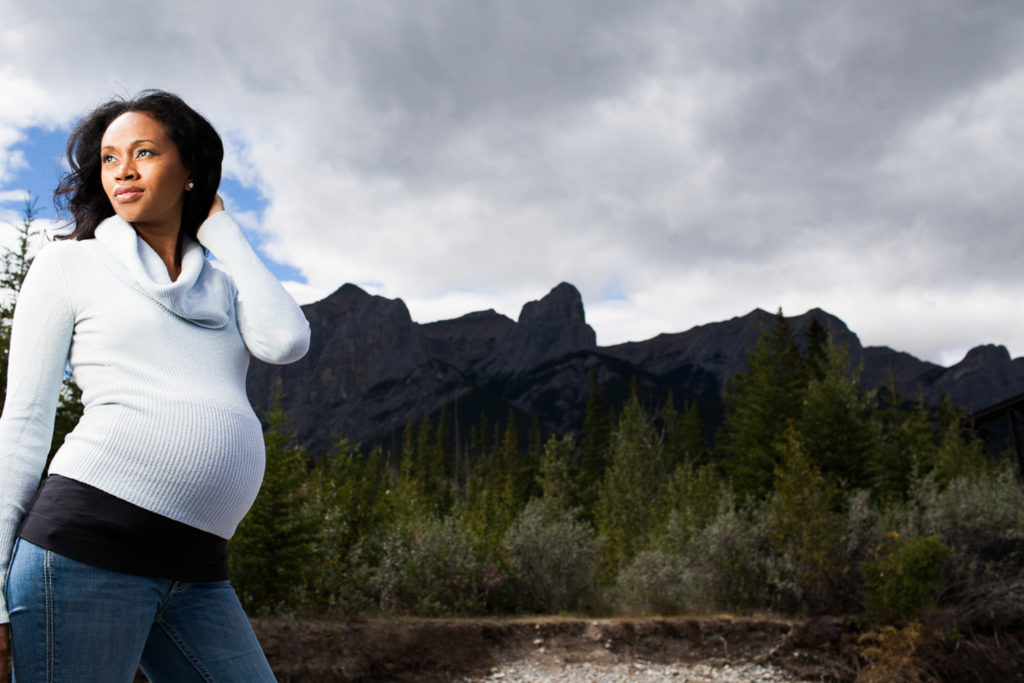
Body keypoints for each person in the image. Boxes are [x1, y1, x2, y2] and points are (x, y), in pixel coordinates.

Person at [0, 90, 310, 681]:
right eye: (111, 159)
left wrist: (221, 230)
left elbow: (286, 341)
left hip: (196, 569)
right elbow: (23, 424)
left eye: (144, 152)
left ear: (190, 169)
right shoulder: (70, 267)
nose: (124, 171)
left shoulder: (223, 283)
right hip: (81, 555)